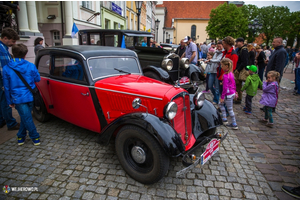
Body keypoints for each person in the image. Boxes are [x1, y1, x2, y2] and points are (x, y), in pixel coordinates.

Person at [2, 43, 41, 145]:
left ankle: (21, 136)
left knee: (25, 117)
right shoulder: (31, 66)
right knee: (27, 117)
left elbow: (6, 87)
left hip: (17, 97)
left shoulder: (6, 68)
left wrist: (9, 101)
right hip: (30, 95)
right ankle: (34, 136)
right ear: (25, 54)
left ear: (12, 54)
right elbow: (38, 78)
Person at [0, 28, 20, 130]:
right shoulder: (1, 50)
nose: (13, 43)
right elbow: (3, 69)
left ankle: (1, 120)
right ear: (5, 38)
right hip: (2, 80)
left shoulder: (4, 48)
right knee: (6, 102)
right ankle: (11, 123)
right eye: (12, 41)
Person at [219, 58, 238, 130]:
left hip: (228, 94)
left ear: (226, 66)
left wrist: (222, 97)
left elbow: (225, 87)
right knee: (221, 105)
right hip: (231, 92)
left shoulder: (225, 75)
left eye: (222, 65)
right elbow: (233, 83)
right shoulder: (231, 74)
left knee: (230, 109)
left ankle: (234, 123)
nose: (221, 67)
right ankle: (224, 117)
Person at [234, 37, 249, 104]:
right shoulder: (240, 49)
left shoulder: (244, 50)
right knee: (237, 85)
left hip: (240, 69)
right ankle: (237, 97)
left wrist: (239, 69)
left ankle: (238, 98)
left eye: (237, 42)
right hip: (238, 68)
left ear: (241, 42)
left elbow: (244, 61)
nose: (236, 43)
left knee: (238, 85)